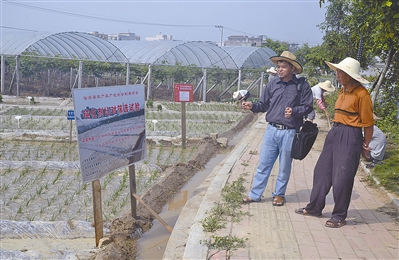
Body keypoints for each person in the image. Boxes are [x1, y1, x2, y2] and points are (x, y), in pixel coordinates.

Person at [295, 57, 374, 228]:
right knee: (322, 172)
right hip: (335, 132)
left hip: (350, 135)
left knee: (342, 177)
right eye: (337, 71)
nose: (336, 75)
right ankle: (315, 207)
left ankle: (339, 216)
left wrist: (365, 145)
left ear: (348, 75)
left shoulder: (362, 94)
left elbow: (368, 123)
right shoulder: (342, 91)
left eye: (339, 72)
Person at [241, 51, 313, 206]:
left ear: (292, 68)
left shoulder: (302, 86)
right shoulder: (272, 84)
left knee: (285, 166)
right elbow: (264, 104)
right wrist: (252, 105)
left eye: (283, 67)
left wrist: (295, 112)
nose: (280, 69)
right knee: (263, 165)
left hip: (290, 132)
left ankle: (279, 194)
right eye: (278, 66)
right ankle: (255, 194)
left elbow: (308, 107)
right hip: (271, 130)